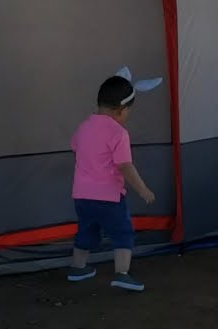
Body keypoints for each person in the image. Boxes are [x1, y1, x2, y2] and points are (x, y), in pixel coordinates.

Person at [67, 75, 156, 291]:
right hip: (109, 197)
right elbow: (125, 166)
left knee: (86, 231)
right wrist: (143, 189)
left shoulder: (83, 127)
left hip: (82, 196)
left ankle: (78, 269)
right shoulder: (118, 133)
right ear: (121, 110)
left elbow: (74, 147)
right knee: (122, 233)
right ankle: (122, 274)